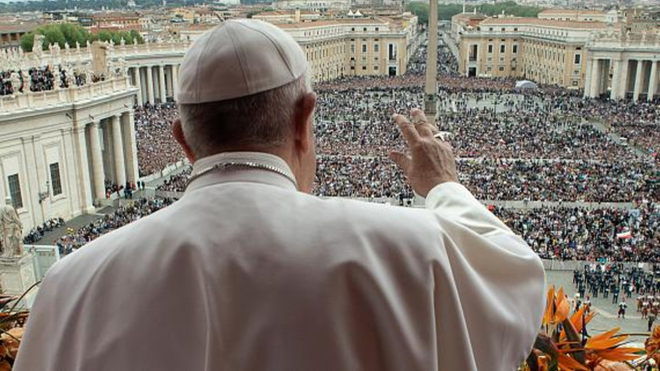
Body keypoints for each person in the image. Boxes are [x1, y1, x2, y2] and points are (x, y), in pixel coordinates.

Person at [14, 20, 545, 371]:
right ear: (305, 120)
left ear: (182, 140)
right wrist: (442, 186)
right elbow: (516, 278)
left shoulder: (71, 286)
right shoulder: (411, 248)